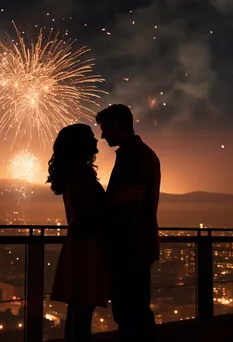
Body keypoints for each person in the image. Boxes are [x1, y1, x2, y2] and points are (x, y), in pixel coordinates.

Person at [96, 104, 161, 342]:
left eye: (104, 129)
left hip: (129, 247)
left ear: (117, 125)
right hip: (137, 246)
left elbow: (130, 204)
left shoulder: (134, 157)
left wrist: (112, 201)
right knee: (136, 308)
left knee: (129, 311)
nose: (102, 136)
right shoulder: (143, 154)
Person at [46, 124, 110, 342]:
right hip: (87, 252)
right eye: (91, 137)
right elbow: (91, 215)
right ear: (81, 144)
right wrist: (117, 200)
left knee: (76, 311)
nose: (96, 139)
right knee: (82, 312)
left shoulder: (73, 174)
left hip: (78, 249)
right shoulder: (81, 176)